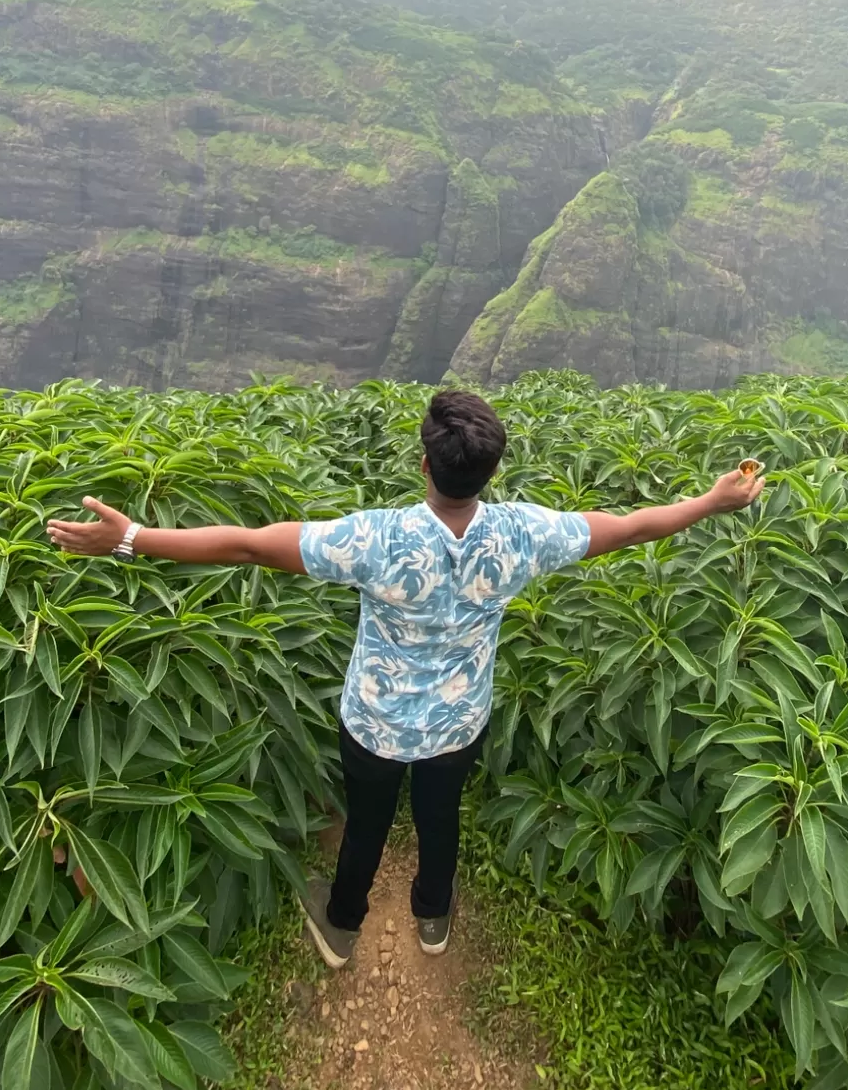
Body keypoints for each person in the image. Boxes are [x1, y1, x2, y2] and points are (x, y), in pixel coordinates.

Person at [47, 389, 764, 969]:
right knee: (439, 821)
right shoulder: (524, 533)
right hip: (458, 724)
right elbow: (634, 526)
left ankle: (344, 925)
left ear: (424, 465)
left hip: (376, 722)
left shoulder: (375, 537)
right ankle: (432, 919)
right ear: (488, 472)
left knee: (365, 825)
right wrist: (711, 501)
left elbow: (245, 546)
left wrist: (132, 539)